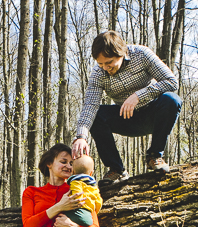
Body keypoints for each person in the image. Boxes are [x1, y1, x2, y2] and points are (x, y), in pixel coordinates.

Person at [71, 30, 182, 185]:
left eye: (109, 63)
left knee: (172, 99)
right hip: (127, 119)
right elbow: (90, 105)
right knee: (97, 115)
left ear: (121, 53)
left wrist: (138, 96)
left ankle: (154, 156)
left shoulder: (142, 54)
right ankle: (117, 170)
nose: (105, 68)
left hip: (154, 114)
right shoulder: (98, 73)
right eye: (100, 64)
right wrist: (81, 136)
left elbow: (171, 82)